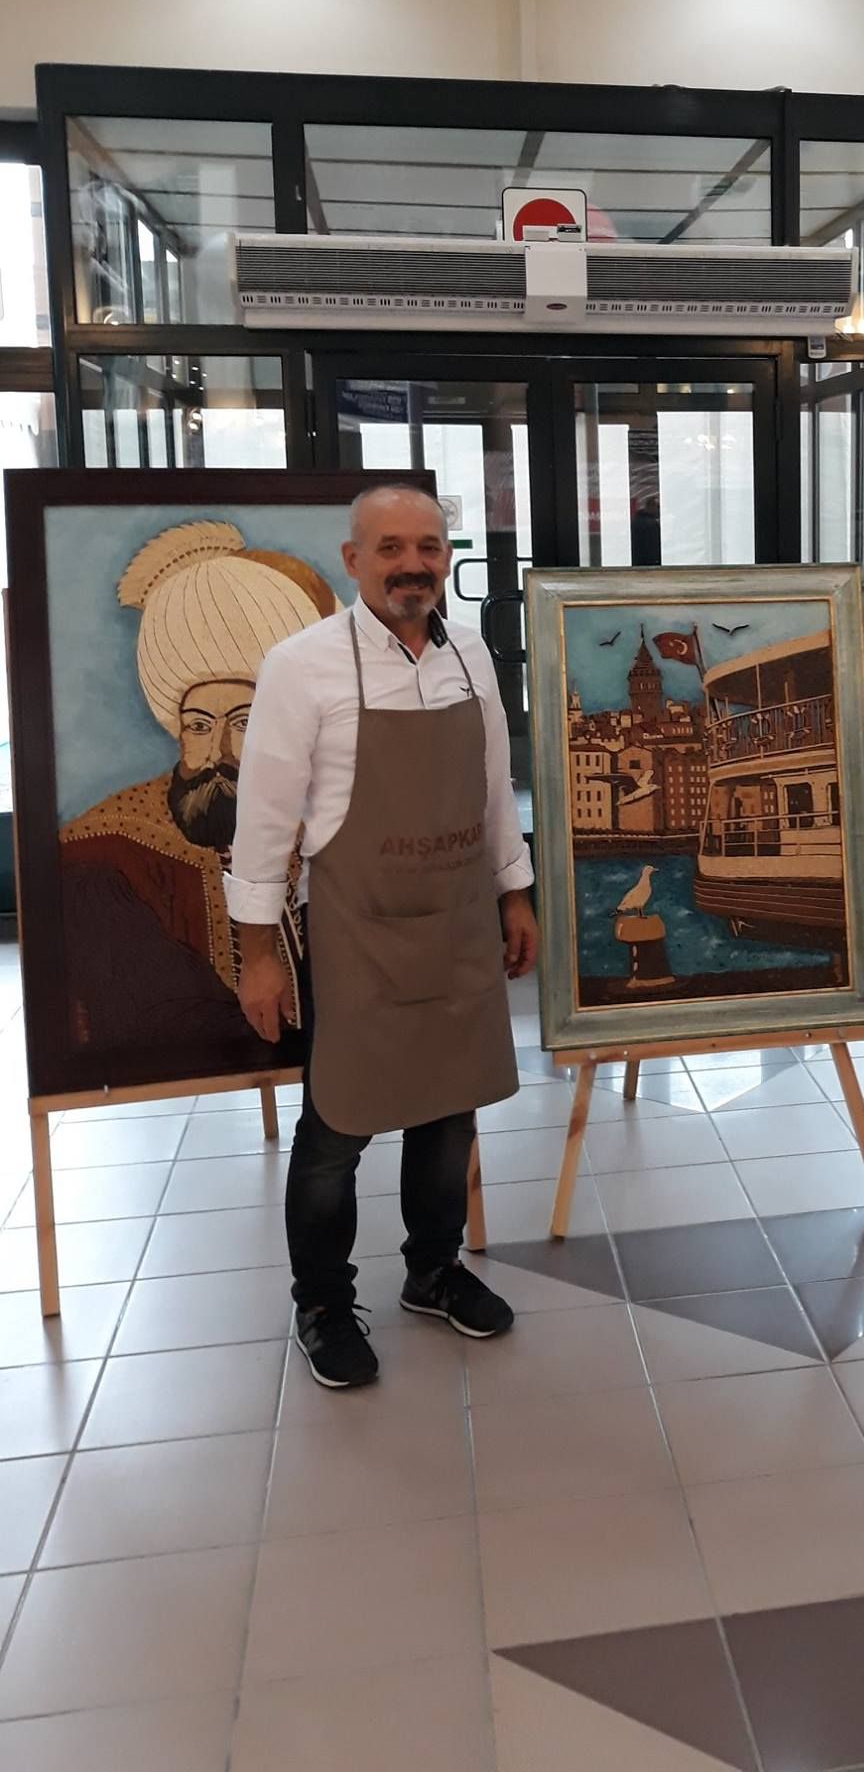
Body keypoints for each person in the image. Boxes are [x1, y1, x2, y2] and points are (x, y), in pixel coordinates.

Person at [228, 484, 538, 1390]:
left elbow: (493, 791)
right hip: (357, 932)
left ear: (447, 558)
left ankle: (433, 1271)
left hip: (457, 924)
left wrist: (515, 896)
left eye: (429, 547)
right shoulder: (302, 666)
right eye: (392, 548)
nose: (413, 565)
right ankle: (324, 1304)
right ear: (353, 559)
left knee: (450, 1109)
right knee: (337, 1128)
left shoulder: (472, 656)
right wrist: (256, 955)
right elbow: (265, 819)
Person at [60, 522, 333, 1051]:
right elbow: (155, 1016)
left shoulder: (322, 819)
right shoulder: (105, 853)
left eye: (245, 722)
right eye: (200, 726)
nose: (218, 752)